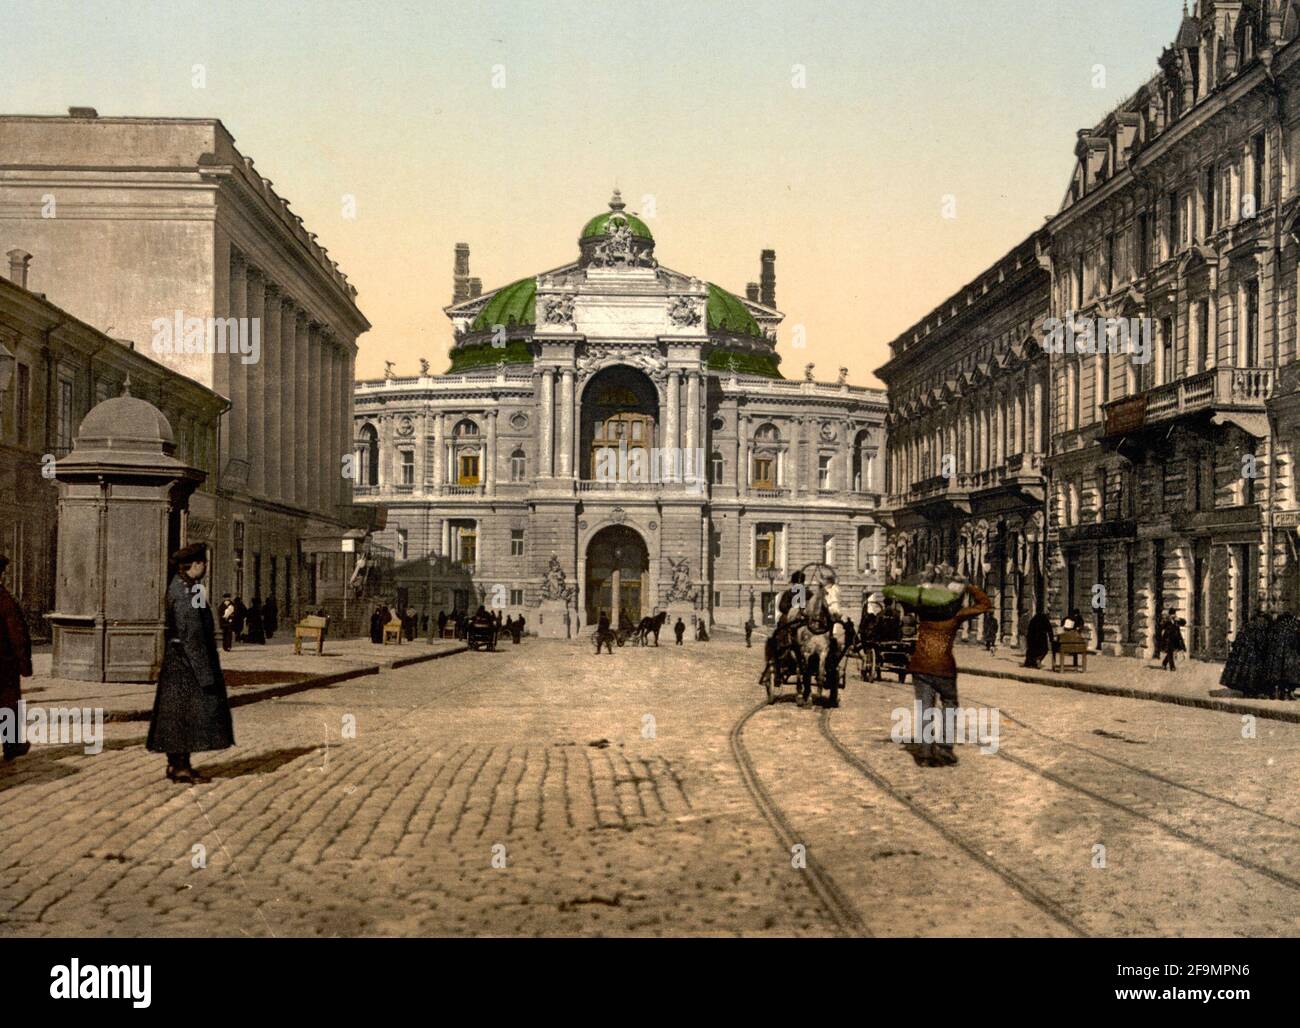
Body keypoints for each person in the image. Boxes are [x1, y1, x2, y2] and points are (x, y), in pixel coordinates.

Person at [146, 544, 234, 784]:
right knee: (182, 715)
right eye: (203, 563)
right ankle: (179, 766)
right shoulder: (184, 591)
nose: (205, 567)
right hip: (184, 663)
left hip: (185, 661)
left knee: (183, 714)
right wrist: (204, 671)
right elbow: (191, 633)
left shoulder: (192, 588)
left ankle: (178, 763)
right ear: (195, 565)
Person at [902, 567, 991, 768]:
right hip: (943, 668)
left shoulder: (924, 610)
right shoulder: (956, 615)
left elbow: (905, 595)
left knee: (925, 709)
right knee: (950, 705)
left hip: (921, 665)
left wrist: (924, 580)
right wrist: (968, 585)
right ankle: (944, 746)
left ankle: (924, 753)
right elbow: (985, 604)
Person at [0, 556, 33, 762]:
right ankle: (12, 745)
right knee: (8, 704)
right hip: (3, 665)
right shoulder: (3, 599)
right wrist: (24, 664)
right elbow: (17, 634)